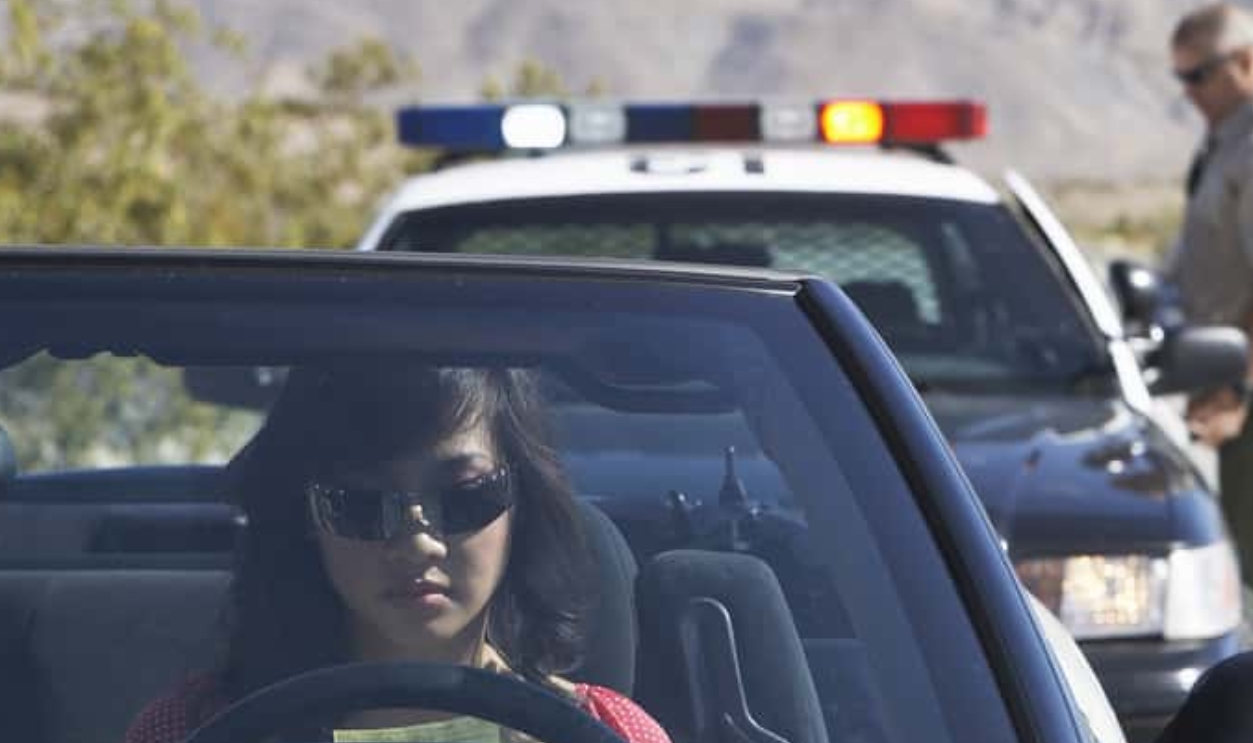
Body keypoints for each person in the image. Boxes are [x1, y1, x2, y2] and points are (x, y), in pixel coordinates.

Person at [123, 363, 670, 743]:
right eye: (360, 504)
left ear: (522, 502)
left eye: (464, 496)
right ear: (305, 517)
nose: (416, 542)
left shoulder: (613, 733)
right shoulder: (192, 732)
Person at [1167, 3, 1253, 585]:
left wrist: (1238, 386)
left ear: (1244, 61)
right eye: (1181, 79)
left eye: (1199, 75)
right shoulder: (1223, 144)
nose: (1189, 92)